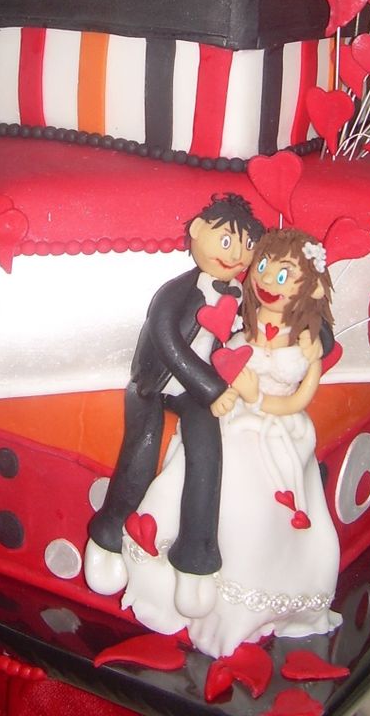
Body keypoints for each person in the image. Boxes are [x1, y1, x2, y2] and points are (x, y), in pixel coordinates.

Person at [118, 227, 343, 659]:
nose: (266, 279)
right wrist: (234, 390)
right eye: (264, 267)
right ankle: (176, 572)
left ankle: (235, 604)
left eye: (283, 275)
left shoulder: (306, 348)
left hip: (276, 431)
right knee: (194, 469)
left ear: (310, 288)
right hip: (232, 417)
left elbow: (297, 400)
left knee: (251, 509)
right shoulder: (243, 325)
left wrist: (257, 397)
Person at [84, 194, 264, 618]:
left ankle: (197, 555)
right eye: (226, 241)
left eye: (246, 246)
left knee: (208, 451)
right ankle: (108, 535)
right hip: (155, 383)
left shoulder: (239, 296)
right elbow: (168, 343)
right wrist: (211, 387)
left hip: (197, 393)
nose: (235, 255)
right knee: (143, 444)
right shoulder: (174, 292)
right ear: (198, 230)